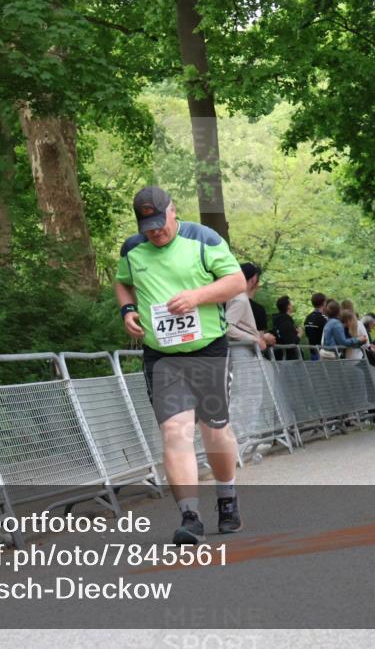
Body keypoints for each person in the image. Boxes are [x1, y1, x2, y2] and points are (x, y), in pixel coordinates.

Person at [115, 187, 246, 544]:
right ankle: (190, 516)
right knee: (175, 431)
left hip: (207, 349)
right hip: (163, 357)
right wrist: (127, 310)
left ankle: (227, 497)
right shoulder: (132, 248)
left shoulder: (203, 238)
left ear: (174, 212)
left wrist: (196, 297)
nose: (156, 232)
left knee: (214, 430)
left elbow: (235, 282)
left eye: (160, 223)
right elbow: (123, 282)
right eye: (148, 226)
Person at [226, 265, 272, 354]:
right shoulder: (241, 299)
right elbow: (227, 327)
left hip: (241, 349)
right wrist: (254, 340)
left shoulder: (234, 296)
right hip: (243, 352)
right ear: (253, 279)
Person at [241, 262, 269, 336]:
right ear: (253, 280)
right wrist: (265, 338)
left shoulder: (227, 302)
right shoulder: (259, 310)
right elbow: (260, 340)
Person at [270, 296, 301, 360]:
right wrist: (299, 334)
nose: (292, 305)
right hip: (288, 359)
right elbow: (291, 343)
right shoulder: (286, 322)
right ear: (288, 306)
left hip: (279, 356)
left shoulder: (278, 320)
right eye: (291, 303)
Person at [303, 293, 328, 360]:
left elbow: (307, 334)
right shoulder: (324, 319)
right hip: (323, 354)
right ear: (323, 303)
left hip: (312, 352)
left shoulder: (308, 317)